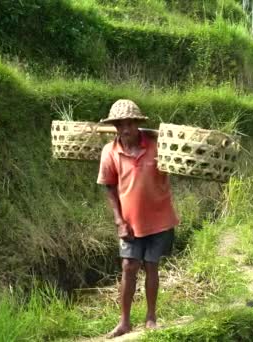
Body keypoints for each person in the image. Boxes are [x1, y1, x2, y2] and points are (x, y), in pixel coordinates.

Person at [96, 99, 179, 338]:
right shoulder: (110, 152)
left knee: (152, 266)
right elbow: (110, 188)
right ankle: (124, 322)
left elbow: (180, 158)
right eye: (120, 124)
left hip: (159, 218)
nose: (126, 129)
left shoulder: (157, 145)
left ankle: (151, 317)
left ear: (137, 124)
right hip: (130, 222)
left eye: (130, 123)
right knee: (128, 266)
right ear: (114, 127)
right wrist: (119, 221)